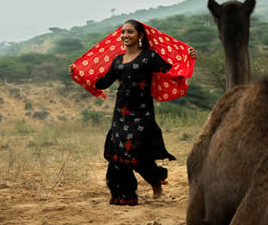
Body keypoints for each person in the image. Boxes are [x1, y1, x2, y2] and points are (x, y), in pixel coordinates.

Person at [69, 19, 196, 205]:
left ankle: (155, 179)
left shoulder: (149, 57)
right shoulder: (117, 60)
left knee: (136, 152)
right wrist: (78, 72)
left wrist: (189, 57)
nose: (125, 36)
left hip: (142, 114)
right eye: (123, 32)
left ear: (140, 35)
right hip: (121, 113)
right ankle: (124, 195)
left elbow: (172, 71)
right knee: (118, 154)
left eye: (130, 32)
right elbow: (103, 83)